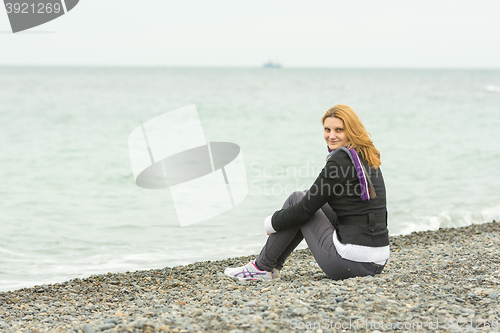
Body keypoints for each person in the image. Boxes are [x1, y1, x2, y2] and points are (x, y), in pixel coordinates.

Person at [224, 104, 389, 281]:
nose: (331, 136)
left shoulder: (340, 161)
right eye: (327, 129)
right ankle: (270, 267)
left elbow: (305, 208)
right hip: (377, 261)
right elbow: (316, 200)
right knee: (305, 196)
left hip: (349, 264)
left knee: (297, 199)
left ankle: (261, 267)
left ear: (351, 131)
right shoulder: (365, 156)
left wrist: (272, 223)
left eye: (338, 130)